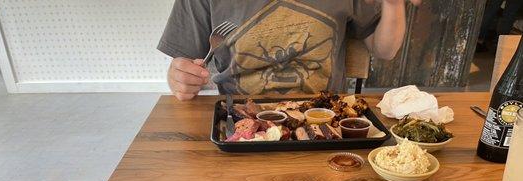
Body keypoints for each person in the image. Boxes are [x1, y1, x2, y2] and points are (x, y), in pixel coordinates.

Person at [159, 0, 420, 100]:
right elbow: (182, 65)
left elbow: (385, 50)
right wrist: (180, 77)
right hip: (237, 122)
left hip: (326, 120)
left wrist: (393, 5)